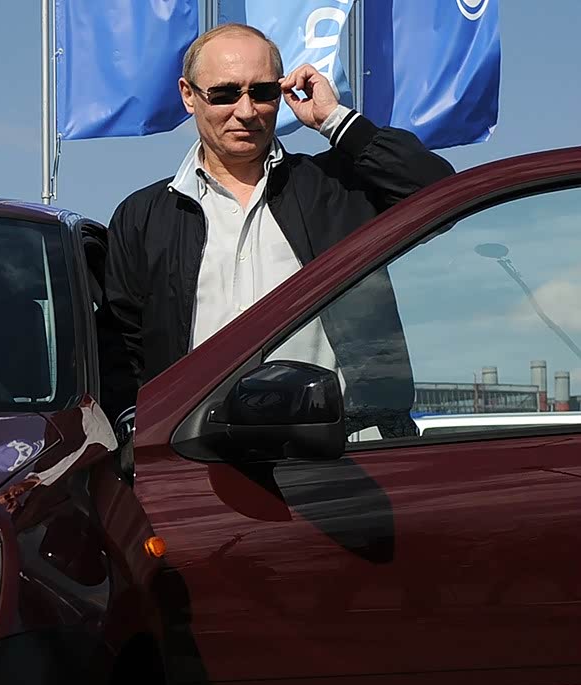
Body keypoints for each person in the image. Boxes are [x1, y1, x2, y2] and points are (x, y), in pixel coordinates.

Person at [96, 23, 455, 435]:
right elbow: (121, 350)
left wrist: (335, 120)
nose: (246, 111)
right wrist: (138, 439)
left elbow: (440, 196)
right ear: (188, 95)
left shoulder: (336, 188)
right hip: (197, 458)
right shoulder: (143, 217)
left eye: (262, 92)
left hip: (342, 453)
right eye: (225, 94)